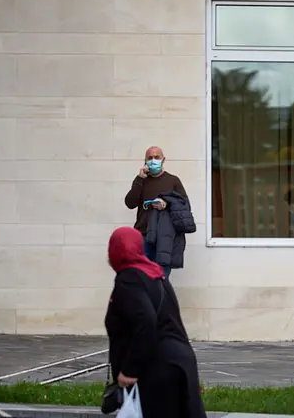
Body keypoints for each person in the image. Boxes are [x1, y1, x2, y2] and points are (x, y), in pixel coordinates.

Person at [105, 226, 206, 417]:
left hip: (157, 369)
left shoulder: (129, 279)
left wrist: (129, 370)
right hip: (181, 363)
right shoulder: (155, 274)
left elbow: (146, 323)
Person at [125, 146, 189, 278]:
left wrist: (166, 204)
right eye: (150, 158)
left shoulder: (173, 181)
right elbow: (130, 203)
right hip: (142, 235)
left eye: (157, 157)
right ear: (145, 161)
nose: (153, 161)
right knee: (141, 279)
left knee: (161, 279)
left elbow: (185, 206)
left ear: (163, 160)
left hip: (164, 237)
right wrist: (139, 179)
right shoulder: (141, 181)